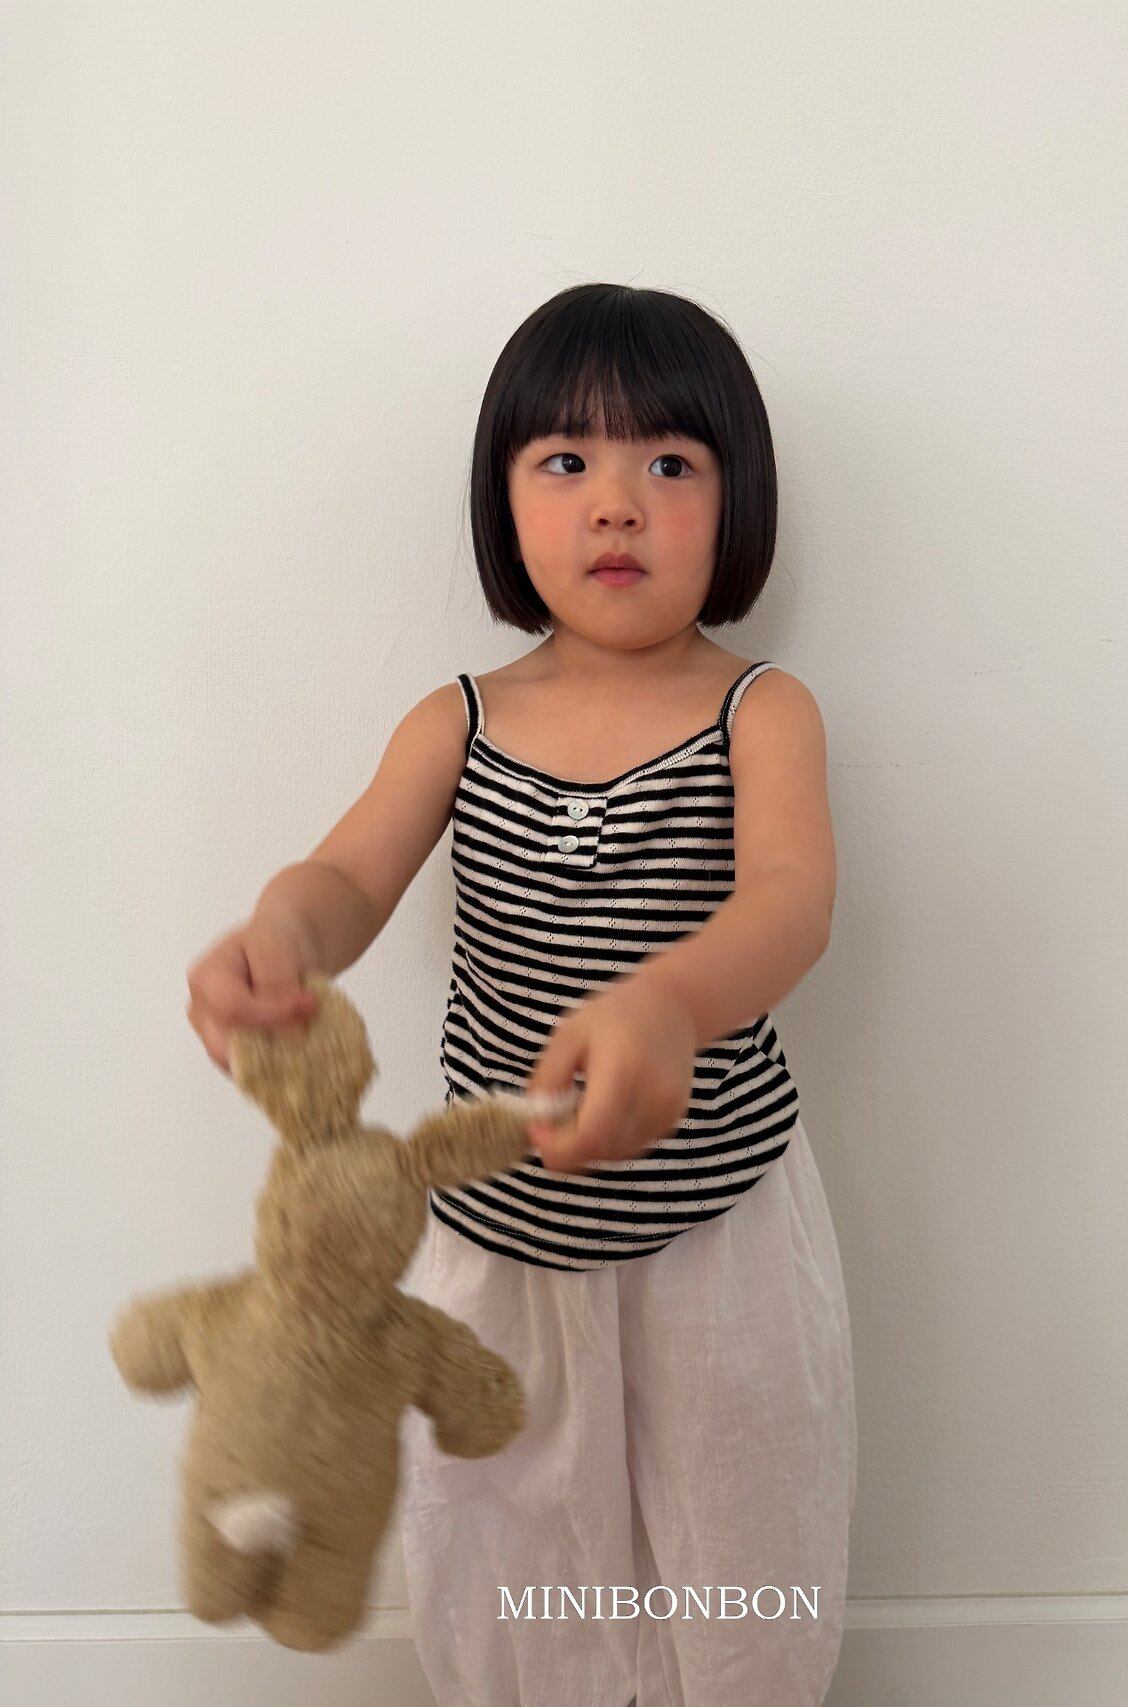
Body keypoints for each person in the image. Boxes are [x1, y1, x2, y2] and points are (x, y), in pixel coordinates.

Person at [186, 283, 857, 1707]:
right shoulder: (462, 720)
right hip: (500, 1226)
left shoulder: (760, 711)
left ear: (736, 501)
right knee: (503, 1539)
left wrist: (670, 1003)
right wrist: (282, 936)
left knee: (744, 1529)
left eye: (668, 462)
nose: (617, 503)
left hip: (719, 1224)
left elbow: (792, 901)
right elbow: (349, 875)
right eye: (566, 461)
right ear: (503, 502)